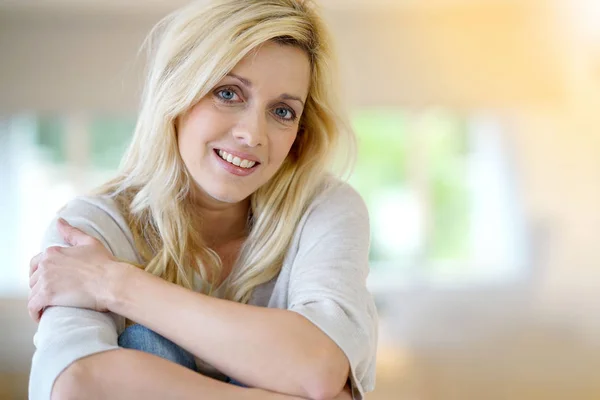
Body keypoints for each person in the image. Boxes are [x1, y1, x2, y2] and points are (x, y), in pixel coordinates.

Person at [27, 0, 378, 399]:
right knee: (150, 342)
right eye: (228, 93)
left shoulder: (324, 209)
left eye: (282, 110)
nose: (253, 134)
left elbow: (317, 367)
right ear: (177, 92)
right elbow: (77, 385)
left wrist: (115, 284)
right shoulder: (89, 228)